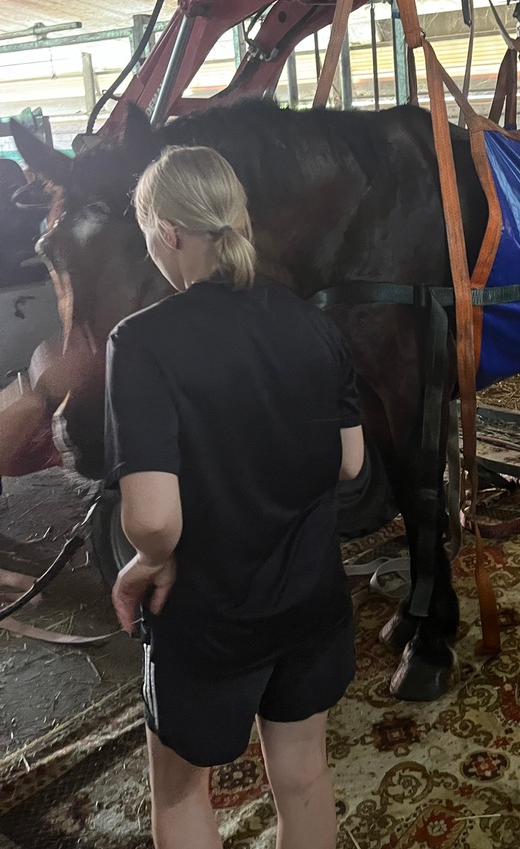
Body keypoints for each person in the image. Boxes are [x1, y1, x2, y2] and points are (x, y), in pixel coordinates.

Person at [105, 145, 364, 849]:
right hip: (311, 603)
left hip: (212, 621)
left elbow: (155, 518)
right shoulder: (315, 323)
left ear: (168, 232)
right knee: (305, 773)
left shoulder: (141, 342)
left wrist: (144, 561)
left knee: (183, 790)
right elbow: (350, 461)